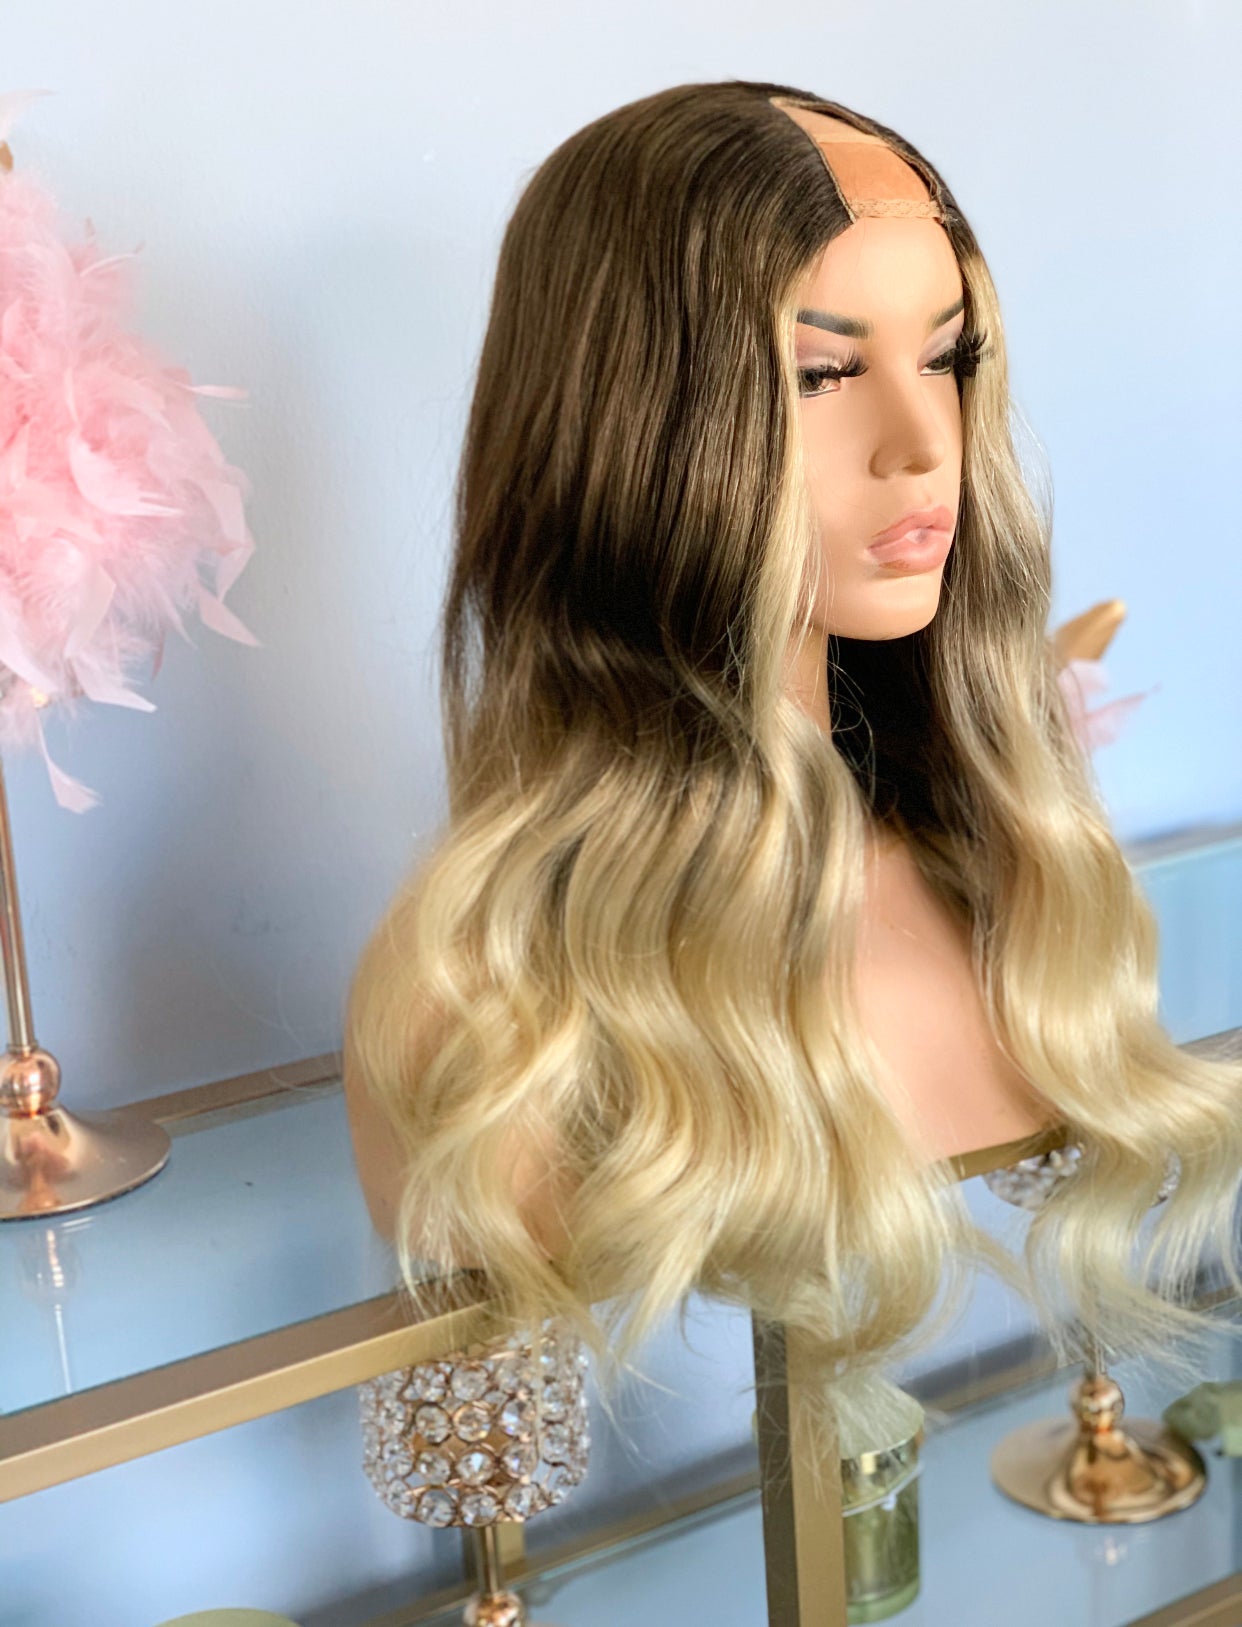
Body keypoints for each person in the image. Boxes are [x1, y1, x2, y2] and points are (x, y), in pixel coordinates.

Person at [343, 81, 1242, 1453]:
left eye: (945, 359)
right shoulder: (481, 1003)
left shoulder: (1013, 880)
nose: (922, 445)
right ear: (635, 425)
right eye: (821, 374)